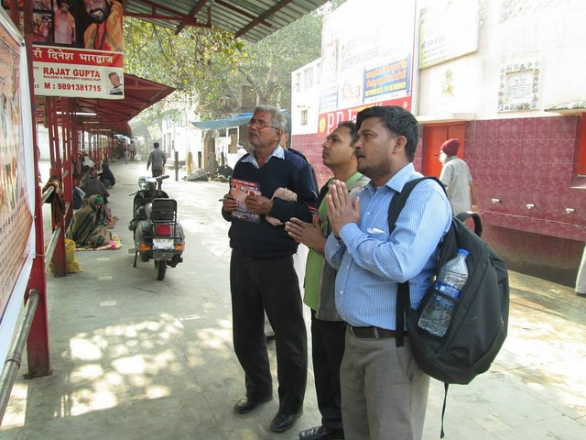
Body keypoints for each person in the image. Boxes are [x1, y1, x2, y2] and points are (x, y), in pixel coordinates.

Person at [324, 105, 452, 440]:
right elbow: (341, 260)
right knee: (357, 432)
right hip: (354, 340)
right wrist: (338, 234)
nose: (357, 145)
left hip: (393, 349)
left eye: (367, 135)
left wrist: (349, 232)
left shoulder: (423, 194)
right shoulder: (364, 194)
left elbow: (400, 264)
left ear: (398, 144)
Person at [220, 105, 317, 434]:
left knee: (289, 338)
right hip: (241, 258)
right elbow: (232, 209)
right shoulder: (242, 163)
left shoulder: (295, 165)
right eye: (252, 122)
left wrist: (272, 206)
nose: (254, 127)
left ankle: (290, 406)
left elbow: (310, 210)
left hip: (276, 262)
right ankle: (258, 391)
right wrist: (227, 207)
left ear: (279, 132)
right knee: (245, 334)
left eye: (261, 123)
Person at [285, 121, 369, 440]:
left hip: (339, 305)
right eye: (327, 138)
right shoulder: (332, 186)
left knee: (340, 376)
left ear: (354, 148)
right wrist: (318, 232)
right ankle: (331, 426)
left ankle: (343, 430)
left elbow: (358, 251)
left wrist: (318, 241)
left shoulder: (360, 192)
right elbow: (327, 234)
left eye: (335, 139)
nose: (325, 143)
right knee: (323, 370)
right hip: (320, 299)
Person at [438, 138, 477, 215]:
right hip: (465, 208)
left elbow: (442, 186)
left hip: (453, 208)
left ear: (446, 153)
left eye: (441, 152)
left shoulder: (448, 166)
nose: (440, 155)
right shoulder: (463, 164)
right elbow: (471, 185)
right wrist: (474, 204)